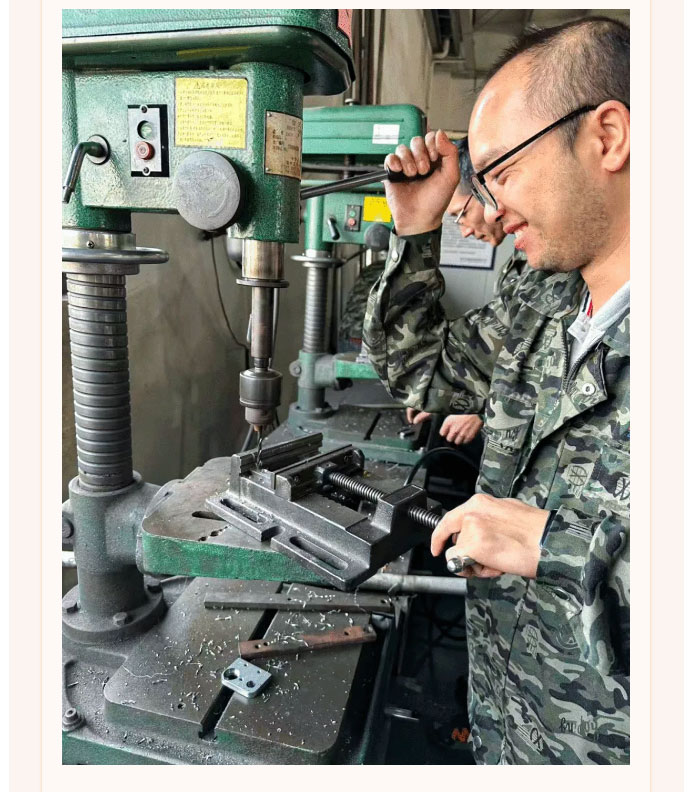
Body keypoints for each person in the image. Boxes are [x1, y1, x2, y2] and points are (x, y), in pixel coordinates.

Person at [363, 17, 629, 765]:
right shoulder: (544, 296)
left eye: (502, 171)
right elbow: (421, 372)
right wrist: (414, 231)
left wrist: (554, 547)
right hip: (508, 719)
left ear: (607, 136)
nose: (489, 204)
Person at [408, 137, 528, 446]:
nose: (464, 231)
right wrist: (450, 394)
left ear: (486, 190)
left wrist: (483, 409)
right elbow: (506, 346)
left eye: (459, 215)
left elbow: (546, 366)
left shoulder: (553, 261)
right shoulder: (521, 260)